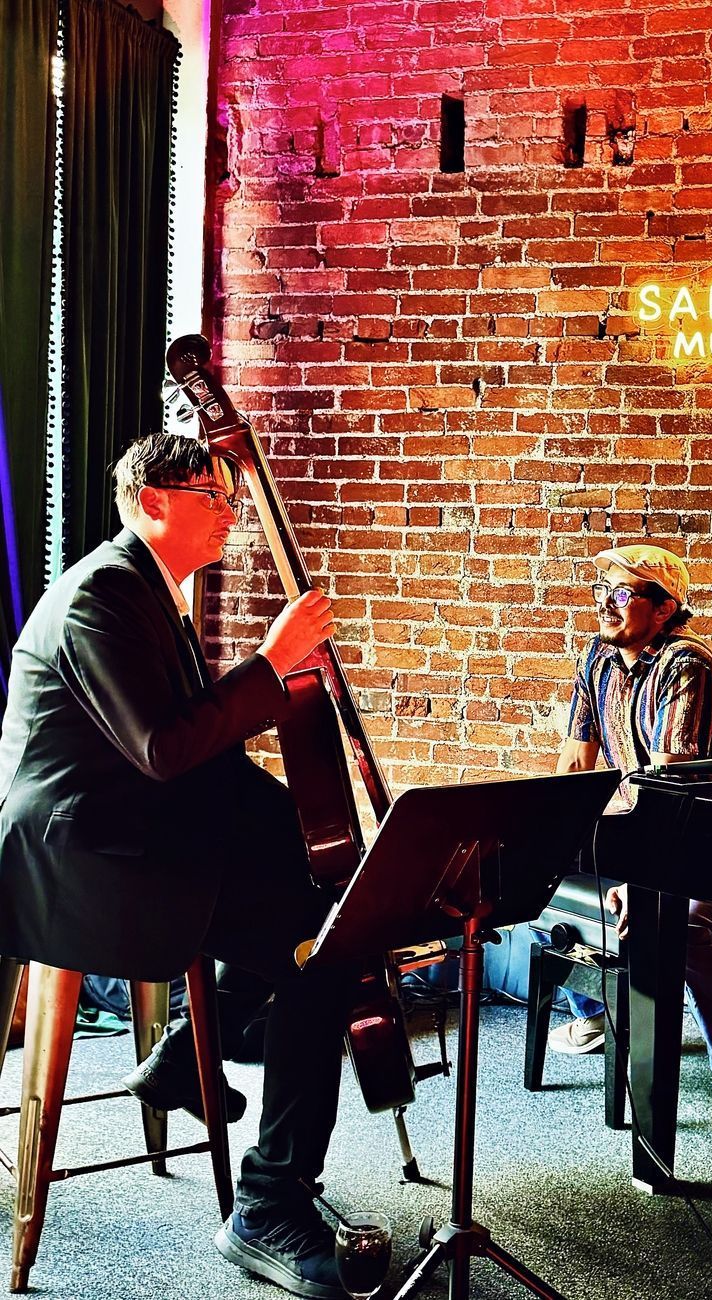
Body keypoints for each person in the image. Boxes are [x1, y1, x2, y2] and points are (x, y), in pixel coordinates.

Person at [0, 434, 357, 1300]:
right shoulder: (100, 598)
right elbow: (165, 747)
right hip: (86, 861)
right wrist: (271, 663)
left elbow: (200, 749)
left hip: (134, 832)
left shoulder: (152, 590)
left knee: (320, 908)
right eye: (216, 496)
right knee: (324, 954)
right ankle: (270, 1202)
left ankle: (176, 1066)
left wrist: (321, 843)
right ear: (154, 500)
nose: (233, 513)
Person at [550, 543, 712, 1133]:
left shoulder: (686, 664)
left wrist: (633, 875)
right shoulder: (598, 657)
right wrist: (548, 837)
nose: (606, 605)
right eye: (603, 593)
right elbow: (576, 763)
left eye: (622, 594)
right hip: (638, 828)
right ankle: (599, 1004)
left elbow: (670, 785)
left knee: (679, 921)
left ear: (666, 607)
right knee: (545, 880)